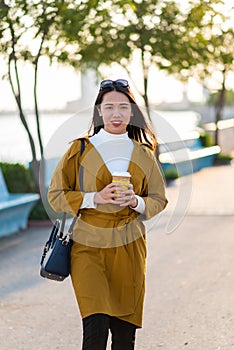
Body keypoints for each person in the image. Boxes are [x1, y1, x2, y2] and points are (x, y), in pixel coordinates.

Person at [47, 79, 168, 349]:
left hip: (129, 247)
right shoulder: (79, 149)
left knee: (124, 337)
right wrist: (93, 198)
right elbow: (55, 195)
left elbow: (159, 199)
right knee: (95, 330)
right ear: (99, 111)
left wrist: (135, 201)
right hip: (88, 245)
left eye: (123, 107)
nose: (116, 114)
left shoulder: (144, 154)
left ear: (132, 112)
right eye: (109, 107)